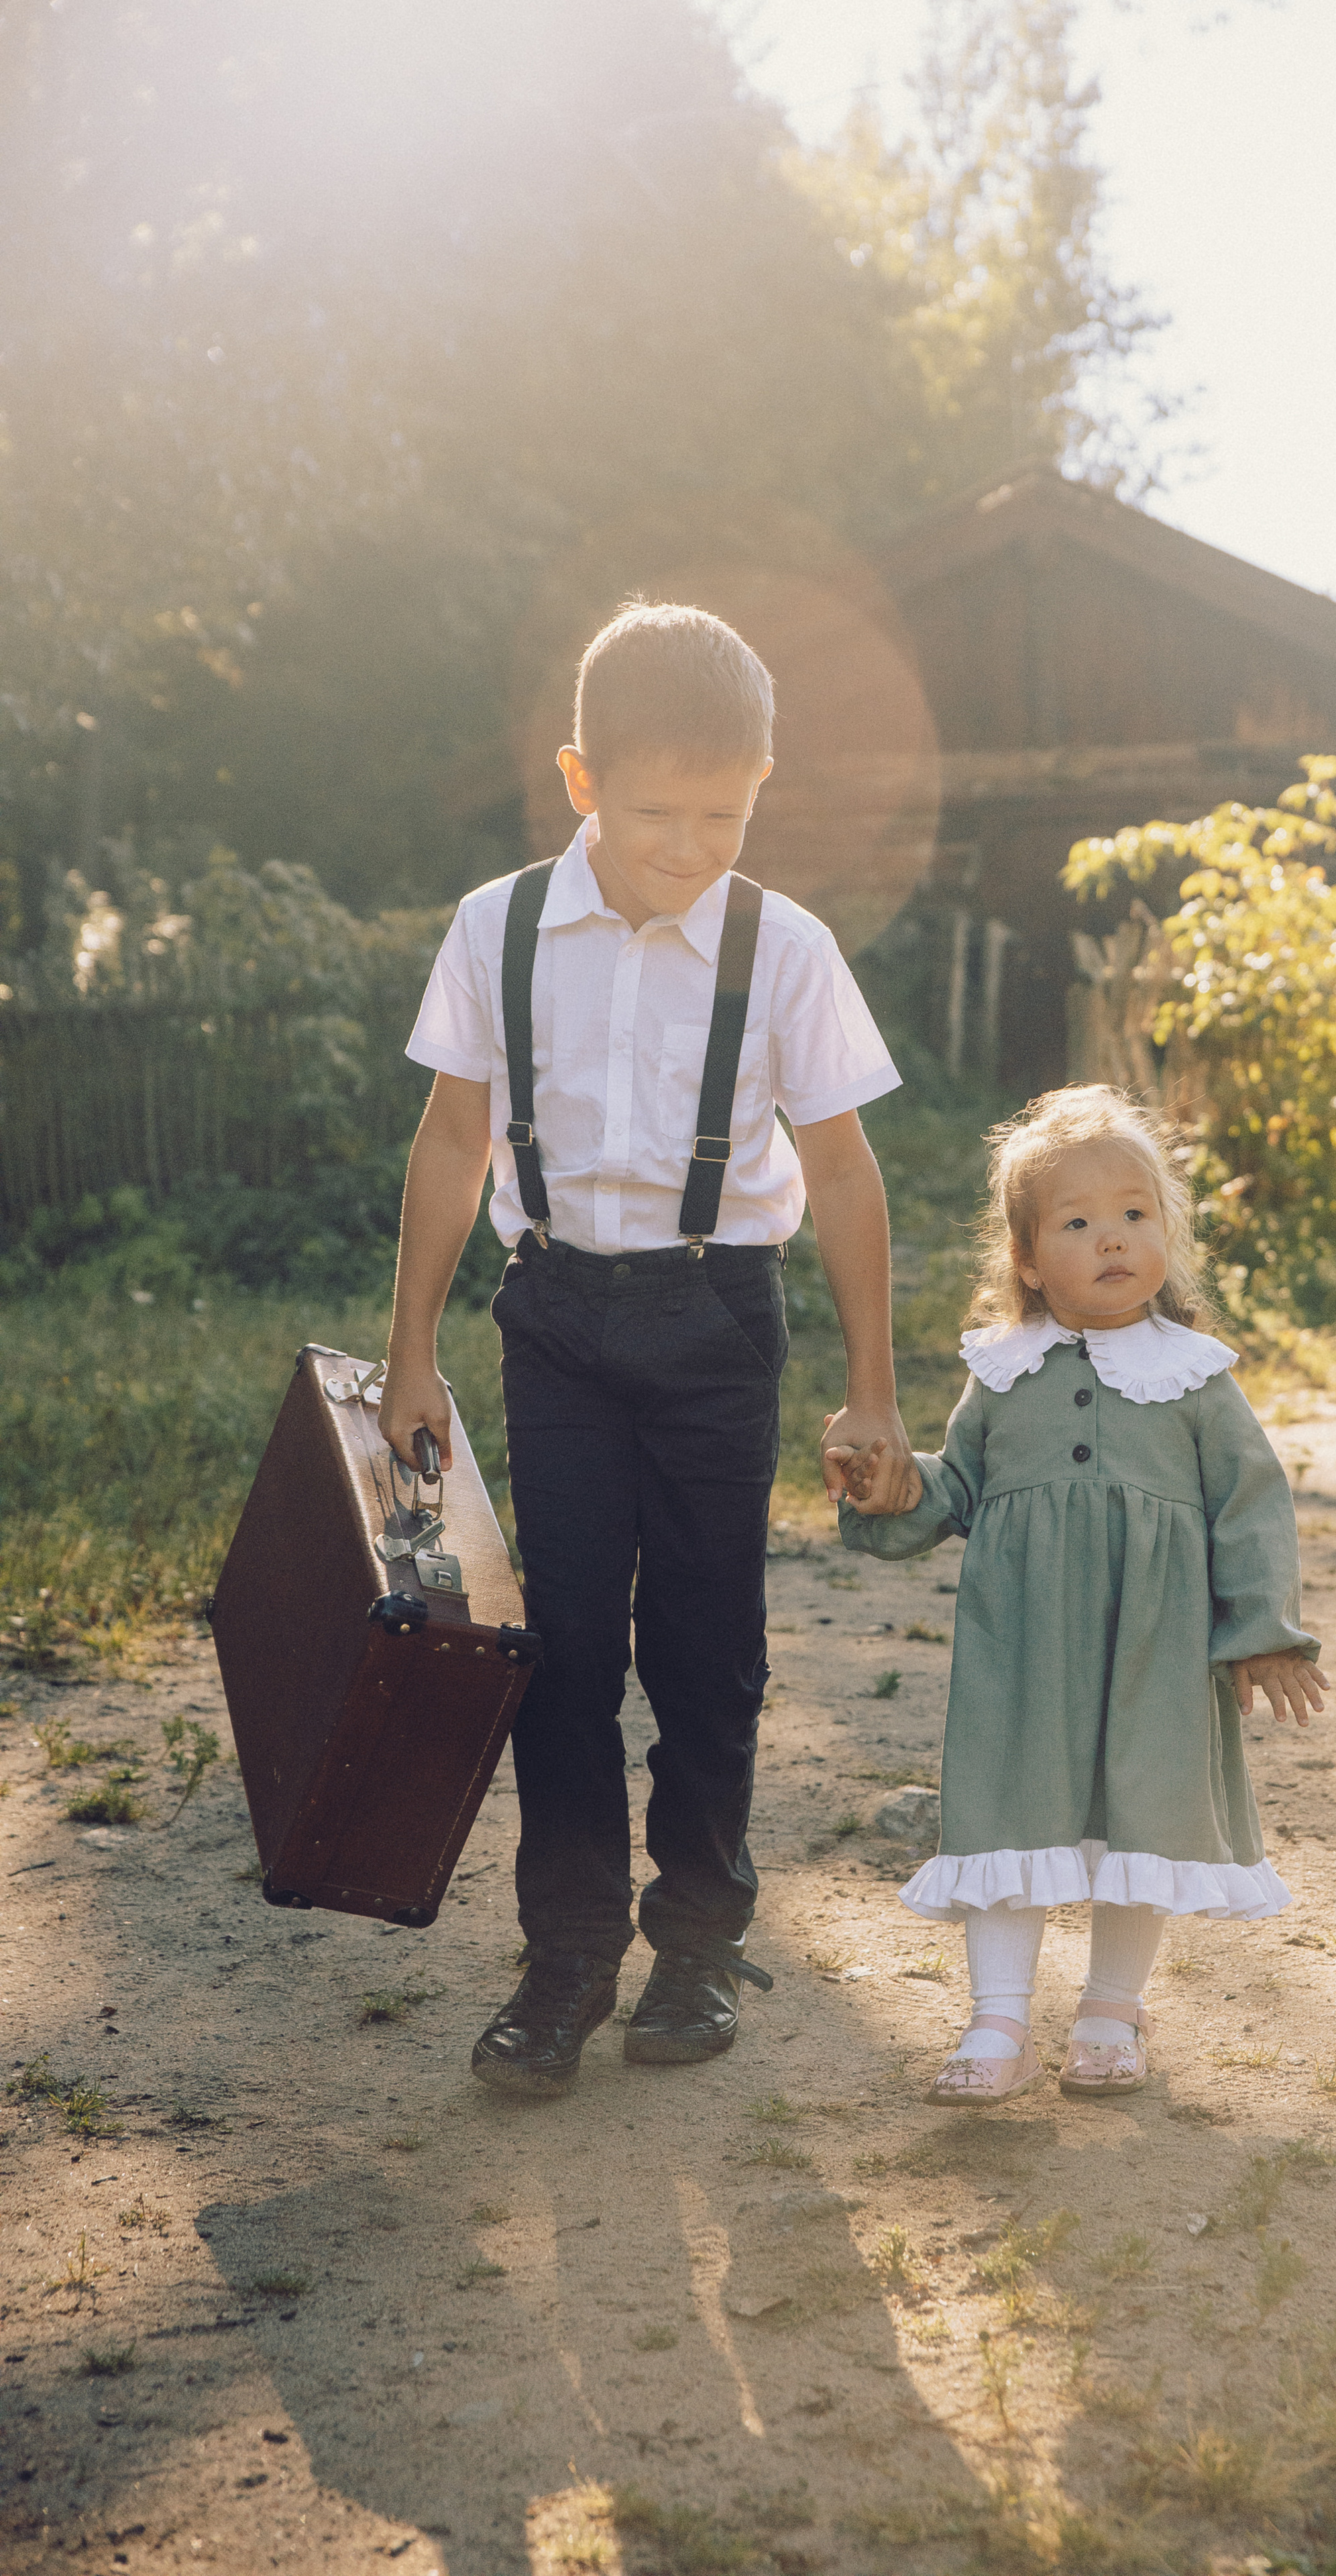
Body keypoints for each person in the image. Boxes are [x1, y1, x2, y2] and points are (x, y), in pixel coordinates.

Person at [378, 600, 916, 2097]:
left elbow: (848, 1171)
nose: (690, 845)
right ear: (579, 781)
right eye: (657, 810)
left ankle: (693, 1942)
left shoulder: (783, 947)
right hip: (550, 1314)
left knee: (704, 1647)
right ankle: (562, 1963)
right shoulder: (497, 929)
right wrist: (408, 1352)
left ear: (760, 789)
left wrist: (873, 1391)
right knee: (557, 1656)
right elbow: (449, 1139)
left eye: (725, 814)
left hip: (714, 1314)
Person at [831, 1083, 1331, 2106]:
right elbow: (952, 1490)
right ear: (1024, 1258)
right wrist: (894, 1486)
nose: (1113, 1239)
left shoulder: (1193, 1378)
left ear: (1167, 1231)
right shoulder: (1001, 1374)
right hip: (1023, 1649)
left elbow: (1251, 1504)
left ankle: (1110, 2009)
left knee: (1139, 1819)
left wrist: (1261, 1633)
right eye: (1077, 1222)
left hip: (1156, 1649)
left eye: (1135, 1216)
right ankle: (998, 2022)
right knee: (1008, 1814)